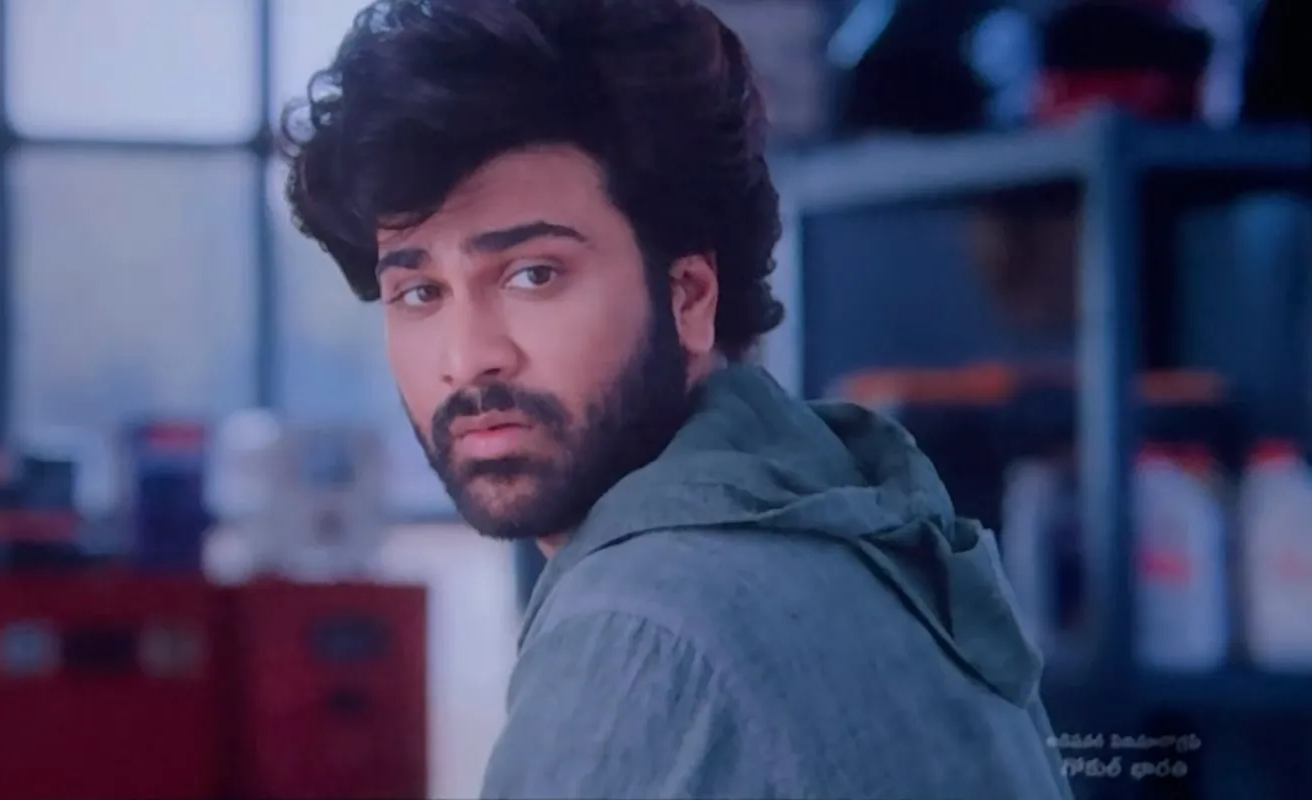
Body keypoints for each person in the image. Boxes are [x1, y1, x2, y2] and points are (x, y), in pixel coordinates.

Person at [280, 1, 1075, 798]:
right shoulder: (865, 536)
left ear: (689, 296)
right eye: (419, 292)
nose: (466, 358)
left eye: (532, 275)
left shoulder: (640, 627)